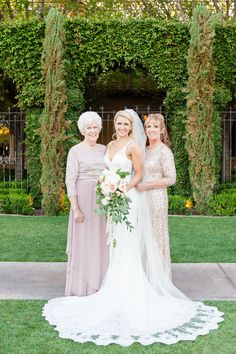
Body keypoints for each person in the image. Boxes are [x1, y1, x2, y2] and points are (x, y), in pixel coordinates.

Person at [43, 109, 223, 346]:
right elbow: (106, 171)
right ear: (114, 124)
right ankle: (113, 287)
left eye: (125, 123)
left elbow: (138, 174)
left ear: (130, 126)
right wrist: (108, 187)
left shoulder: (134, 147)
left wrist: (122, 189)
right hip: (113, 201)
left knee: (127, 245)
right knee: (115, 246)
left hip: (128, 201)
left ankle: (129, 292)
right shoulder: (109, 146)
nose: (121, 126)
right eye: (118, 122)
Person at [64, 111, 109, 296]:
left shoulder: (104, 149)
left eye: (95, 127)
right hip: (82, 200)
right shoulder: (75, 151)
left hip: (102, 200)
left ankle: (101, 283)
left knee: (101, 241)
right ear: (83, 130)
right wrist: (76, 209)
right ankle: (81, 286)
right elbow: (70, 179)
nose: (92, 131)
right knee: (84, 241)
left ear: (99, 128)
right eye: (88, 128)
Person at [136, 113, 175, 277]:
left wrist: (147, 186)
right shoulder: (143, 150)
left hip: (157, 198)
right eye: (148, 127)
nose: (151, 130)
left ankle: (159, 276)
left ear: (161, 130)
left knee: (156, 235)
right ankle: (144, 274)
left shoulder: (164, 151)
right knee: (143, 235)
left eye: (155, 127)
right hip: (141, 197)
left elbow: (171, 178)